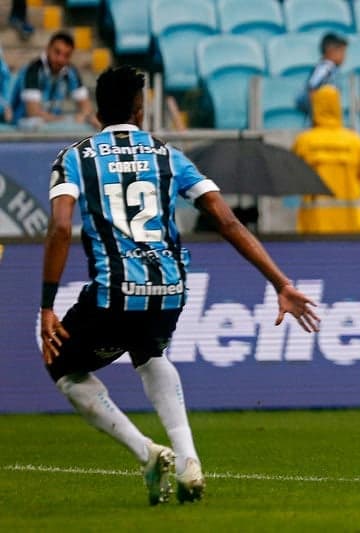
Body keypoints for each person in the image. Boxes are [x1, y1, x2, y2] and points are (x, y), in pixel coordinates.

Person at [41, 66, 320, 505]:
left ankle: (147, 452)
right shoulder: (169, 155)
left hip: (115, 290)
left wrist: (46, 306)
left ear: (96, 113)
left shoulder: (75, 157)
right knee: (149, 352)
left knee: (63, 367)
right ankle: (189, 458)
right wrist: (280, 282)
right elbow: (226, 221)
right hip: (170, 288)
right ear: (140, 110)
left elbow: (59, 228)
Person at [292, 85, 360, 233]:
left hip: (315, 224)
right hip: (351, 224)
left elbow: (295, 178)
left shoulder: (304, 141)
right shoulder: (355, 142)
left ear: (315, 107)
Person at [10, 31, 100, 129]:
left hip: (52, 122)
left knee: (92, 122)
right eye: (57, 52)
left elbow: (86, 106)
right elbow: (33, 112)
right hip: (23, 123)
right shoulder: (32, 70)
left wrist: (84, 115)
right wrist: (67, 120)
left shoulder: (70, 71)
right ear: (48, 49)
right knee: (36, 123)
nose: (60, 59)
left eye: (66, 55)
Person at [295, 32, 348, 117]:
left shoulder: (332, 69)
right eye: (341, 52)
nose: (344, 56)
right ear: (330, 51)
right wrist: (316, 112)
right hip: (321, 117)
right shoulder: (325, 68)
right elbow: (312, 87)